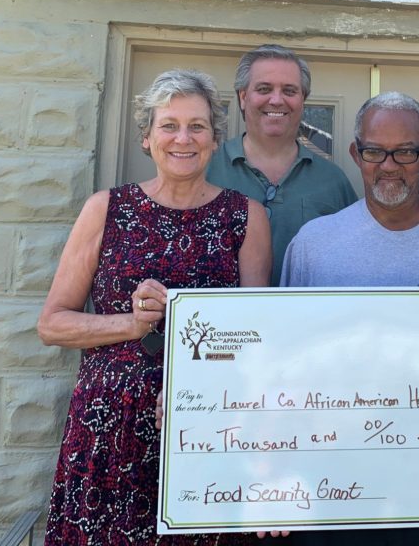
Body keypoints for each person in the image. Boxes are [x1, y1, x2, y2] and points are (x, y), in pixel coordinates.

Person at [37, 69, 271, 545]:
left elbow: (257, 341)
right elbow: (52, 324)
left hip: (207, 424)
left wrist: (206, 394)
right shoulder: (106, 208)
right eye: (169, 125)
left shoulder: (246, 217)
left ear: (213, 139)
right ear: (146, 138)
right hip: (110, 422)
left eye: (197, 126)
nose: (182, 138)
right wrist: (132, 322)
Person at [281, 91, 419, 546]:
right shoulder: (313, 244)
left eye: (405, 151)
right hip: (333, 489)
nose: (389, 165)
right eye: (373, 152)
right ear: (355, 154)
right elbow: (283, 366)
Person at [206, 44, 358, 286]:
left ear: (302, 100)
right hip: (223, 322)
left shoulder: (333, 181)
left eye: (289, 90)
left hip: (309, 320)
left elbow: (354, 262)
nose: (276, 100)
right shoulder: (205, 170)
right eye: (264, 89)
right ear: (243, 98)